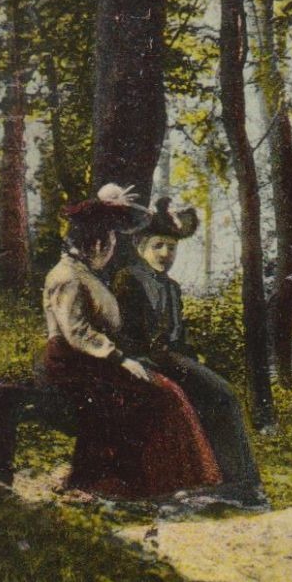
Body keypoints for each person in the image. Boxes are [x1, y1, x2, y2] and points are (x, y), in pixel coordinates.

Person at [40, 184, 220, 501]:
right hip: (73, 362)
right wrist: (121, 359)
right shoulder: (66, 276)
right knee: (162, 393)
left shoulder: (84, 273)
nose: (110, 251)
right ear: (93, 244)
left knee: (164, 389)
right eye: (108, 244)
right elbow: (78, 332)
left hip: (94, 359)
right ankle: (135, 483)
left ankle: (167, 483)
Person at [113, 198, 268, 510]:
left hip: (171, 360)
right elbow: (130, 334)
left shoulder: (172, 287)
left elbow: (177, 335)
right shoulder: (130, 279)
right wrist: (157, 360)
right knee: (221, 394)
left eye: (171, 248)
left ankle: (235, 482)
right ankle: (238, 482)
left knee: (220, 395)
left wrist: (191, 357)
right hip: (146, 361)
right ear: (142, 245)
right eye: (158, 246)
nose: (165, 254)